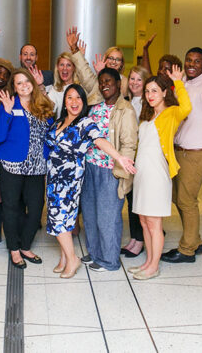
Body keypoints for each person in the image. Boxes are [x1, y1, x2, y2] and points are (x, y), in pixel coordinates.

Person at [46, 84, 136, 278]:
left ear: (83, 102)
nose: (74, 102)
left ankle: (72, 259)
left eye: (78, 98)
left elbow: (100, 140)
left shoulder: (85, 123)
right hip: (54, 179)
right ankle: (64, 258)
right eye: (70, 98)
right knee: (64, 220)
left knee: (59, 220)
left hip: (69, 182)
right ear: (65, 101)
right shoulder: (59, 121)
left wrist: (119, 157)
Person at [129, 66, 191, 280]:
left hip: (157, 175)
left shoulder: (171, 113)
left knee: (154, 223)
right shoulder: (147, 116)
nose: (150, 95)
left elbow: (187, 107)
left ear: (165, 92)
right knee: (144, 221)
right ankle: (148, 262)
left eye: (154, 91)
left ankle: (153, 266)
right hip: (142, 174)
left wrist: (179, 83)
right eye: (147, 91)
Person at [161, 47, 202, 264]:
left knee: (187, 201)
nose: (192, 64)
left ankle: (187, 251)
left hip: (196, 153)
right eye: (189, 60)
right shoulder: (183, 83)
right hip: (179, 152)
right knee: (179, 198)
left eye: (197, 61)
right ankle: (196, 241)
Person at [0, 68, 54, 268]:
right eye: (18, 83)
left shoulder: (43, 103)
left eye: (26, 81)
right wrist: (8, 112)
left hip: (37, 167)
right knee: (11, 208)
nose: (23, 85)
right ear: (14, 87)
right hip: (12, 165)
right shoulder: (9, 105)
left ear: (33, 82)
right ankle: (14, 248)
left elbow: (52, 134)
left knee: (37, 209)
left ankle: (26, 245)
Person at [80, 68, 138, 272]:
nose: (105, 85)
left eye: (109, 82)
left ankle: (109, 260)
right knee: (90, 214)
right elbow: (87, 78)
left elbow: (129, 144)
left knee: (108, 217)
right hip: (90, 167)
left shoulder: (126, 110)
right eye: (102, 81)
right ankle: (95, 253)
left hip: (110, 171)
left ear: (119, 84)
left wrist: (122, 174)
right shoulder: (96, 104)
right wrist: (76, 53)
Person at [121, 65, 151, 258]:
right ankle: (134, 238)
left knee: (140, 202)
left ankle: (140, 240)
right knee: (131, 200)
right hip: (129, 159)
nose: (134, 82)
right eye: (132, 79)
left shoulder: (148, 104)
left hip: (143, 158)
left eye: (139, 79)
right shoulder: (126, 101)